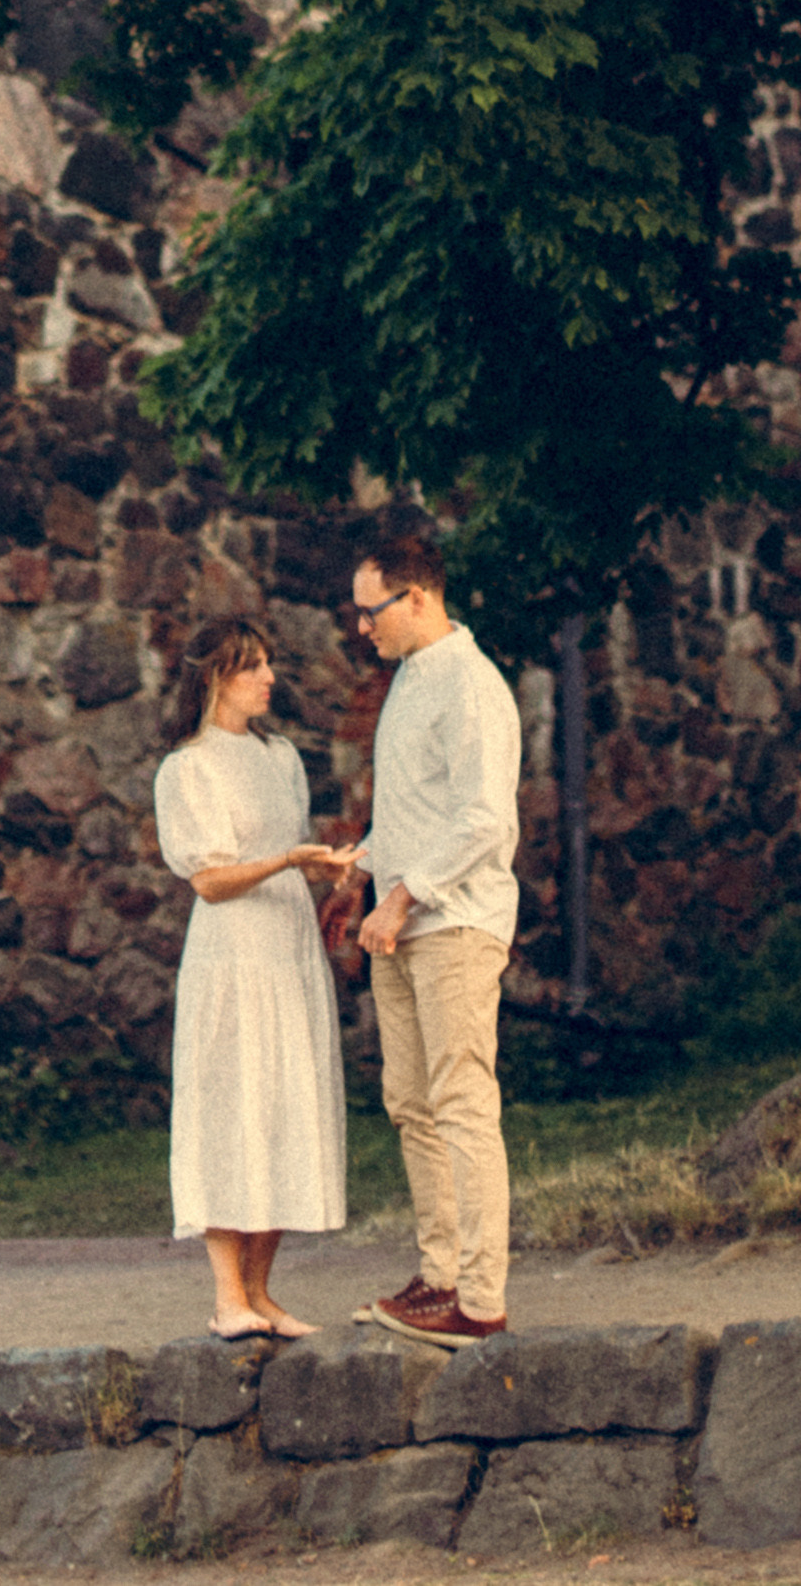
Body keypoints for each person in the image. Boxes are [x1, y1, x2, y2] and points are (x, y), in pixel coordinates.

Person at [340, 517, 522, 1348]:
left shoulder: (470, 683)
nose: (360, 625)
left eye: (370, 610)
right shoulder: (412, 677)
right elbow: (418, 810)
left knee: (460, 1104)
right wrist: (362, 860)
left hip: (453, 926)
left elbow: (483, 819)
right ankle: (437, 1274)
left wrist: (404, 895)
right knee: (410, 1104)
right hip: (402, 924)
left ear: (417, 597)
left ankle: (479, 1300)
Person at [152, 616, 354, 1337]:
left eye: (268, 664)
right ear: (214, 677)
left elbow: (288, 849)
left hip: (287, 945)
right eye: (252, 667)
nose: (269, 678)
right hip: (232, 953)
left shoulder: (281, 757)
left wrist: (326, 879)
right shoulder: (187, 767)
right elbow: (208, 880)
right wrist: (287, 861)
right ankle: (226, 1298)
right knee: (230, 1108)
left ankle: (261, 1291)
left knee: (284, 1103)